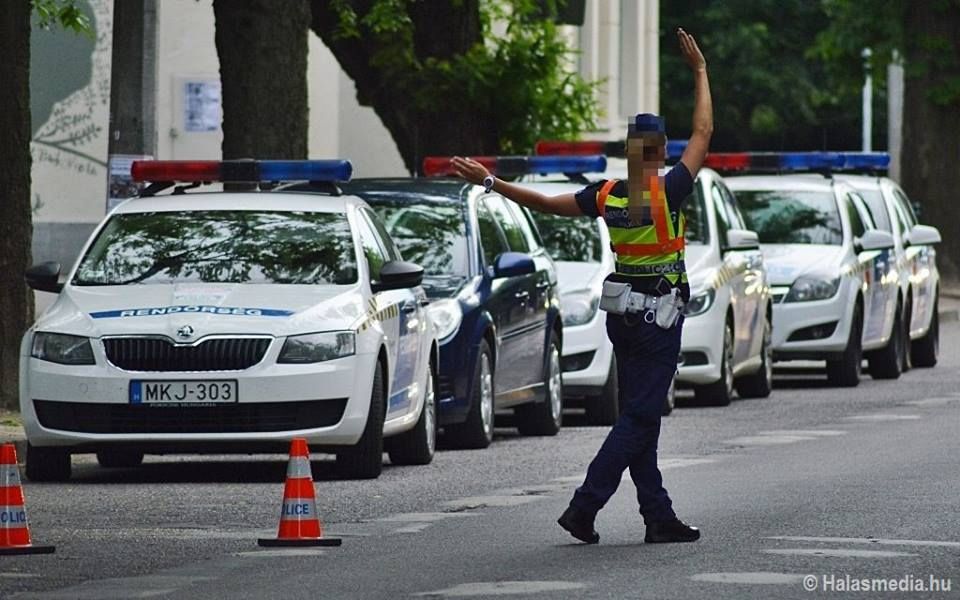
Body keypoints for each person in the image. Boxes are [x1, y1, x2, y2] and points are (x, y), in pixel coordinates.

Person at [450, 27, 712, 544]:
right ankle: (584, 506)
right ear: (660, 152)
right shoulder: (669, 191)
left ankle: (658, 516)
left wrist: (490, 182)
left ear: (630, 152)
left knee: (640, 416)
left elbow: (546, 203)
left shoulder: (608, 195)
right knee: (640, 416)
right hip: (658, 322)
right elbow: (704, 131)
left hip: (623, 320)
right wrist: (700, 71)